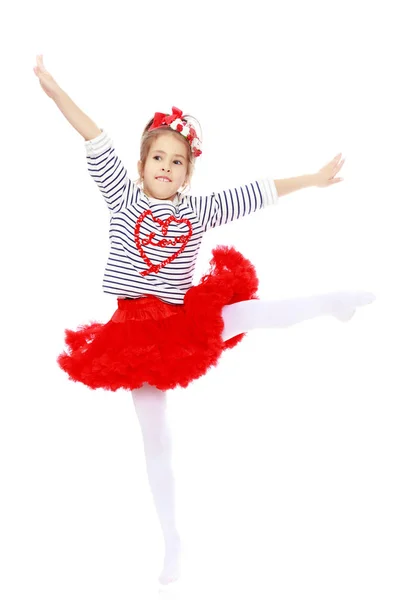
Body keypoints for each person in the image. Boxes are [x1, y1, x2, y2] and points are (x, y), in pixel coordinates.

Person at [33, 54, 375, 586]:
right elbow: (94, 137)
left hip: (182, 321)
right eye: (158, 158)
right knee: (156, 437)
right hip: (132, 334)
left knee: (252, 314)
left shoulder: (197, 211)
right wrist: (55, 91)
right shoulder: (122, 197)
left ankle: (334, 301)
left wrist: (311, 179)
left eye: (177, 161)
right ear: (142, 164)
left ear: (189, 173)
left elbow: (257, 194)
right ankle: (173, 541)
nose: (166, 167)